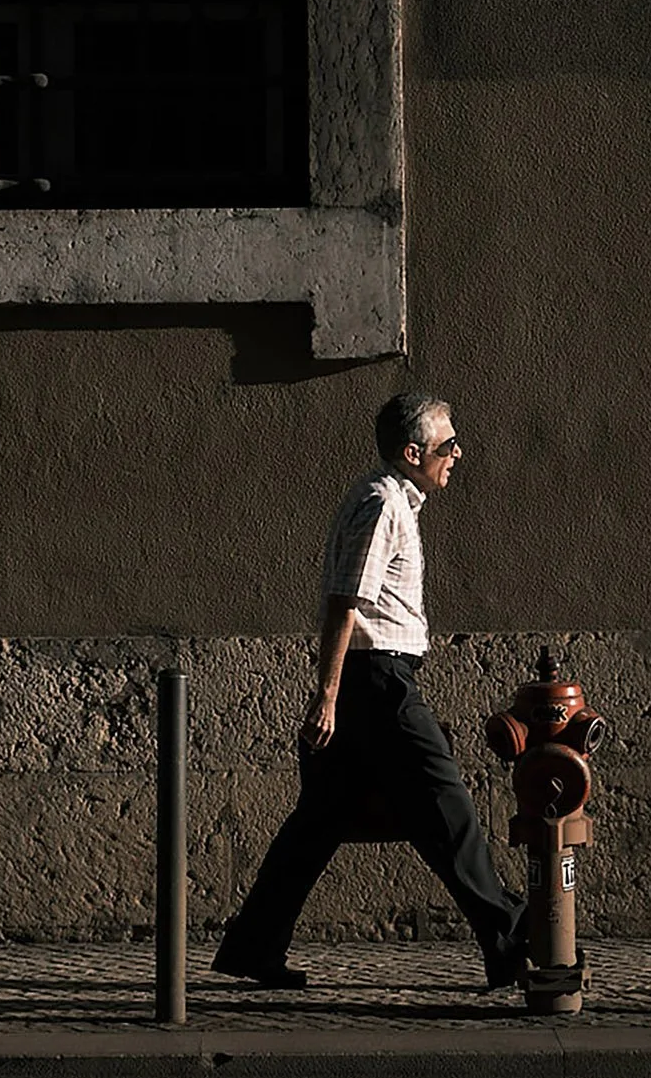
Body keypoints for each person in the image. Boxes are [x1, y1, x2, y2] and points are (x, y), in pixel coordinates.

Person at [211, 391, 526, 991]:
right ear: (414, 453)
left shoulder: (393, 502)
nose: (458, 454)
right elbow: (343, 602)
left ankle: (253, 945)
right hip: (377, 681)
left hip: (370, 679)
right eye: (448, 445)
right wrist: (326, 694)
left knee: (320, 821)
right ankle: (510, 933)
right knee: (447, 803)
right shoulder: (382, 504)